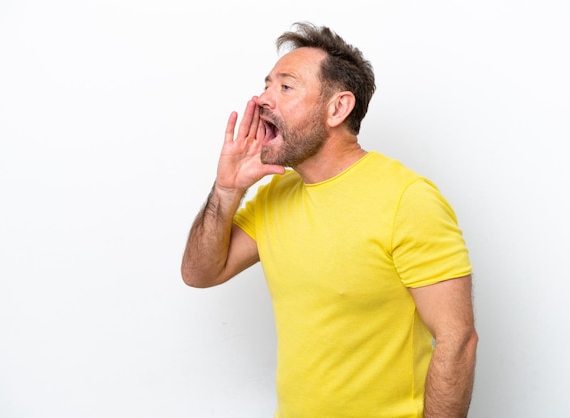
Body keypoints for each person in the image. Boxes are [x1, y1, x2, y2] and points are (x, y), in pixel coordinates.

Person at [181, 21, 478, 418]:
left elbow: (457, 340)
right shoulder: (275, 194)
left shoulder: (407, 199)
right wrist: (227, 190)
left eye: (286, 87)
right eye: (267, 85)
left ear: (337, 108)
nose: (263, 98)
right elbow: (200, 273)